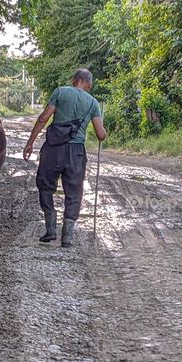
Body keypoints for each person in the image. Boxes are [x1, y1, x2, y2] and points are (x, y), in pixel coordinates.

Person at [23, 68, 108, 248]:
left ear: (74, 80)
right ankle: (67, 238)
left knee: (45, 185)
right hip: (76, 152)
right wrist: (104, 133)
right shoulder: (93, 103)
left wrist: (30, 142)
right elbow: (100, 134)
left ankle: (51, 229)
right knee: (74, 191)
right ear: (89, 84)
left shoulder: (60, 92)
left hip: (53, 149)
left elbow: (43, 118)